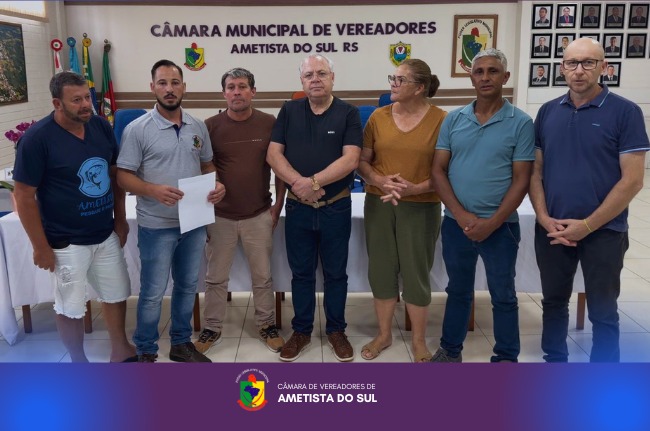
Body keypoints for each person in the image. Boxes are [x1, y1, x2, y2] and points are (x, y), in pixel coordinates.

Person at [531, 38, 649, 363]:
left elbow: (633, 180)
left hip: (604, 231)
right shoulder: (547, 111)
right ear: (562, 67)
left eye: (588, 63)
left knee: (603, 311)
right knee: (553, 303)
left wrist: (586, 226)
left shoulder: (626, 112)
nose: (579, 70)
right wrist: (543, 217)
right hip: (553, 229)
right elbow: (535, 171)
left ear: (604, 67)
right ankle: (555, 363)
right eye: (572, 63)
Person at [12, 71, 136, 363]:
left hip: (104, 232)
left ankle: (120, 350)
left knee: (116, 293)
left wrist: (120, 219)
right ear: (57, 103)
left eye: (87, 98)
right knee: (70, 306)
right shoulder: (37, 139)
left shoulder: (99, 126)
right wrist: (40, 247)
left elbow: (114, 174)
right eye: (76, 100)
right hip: (65, 240)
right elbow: (24, 196)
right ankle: (78, 363)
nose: (85, 105)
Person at [117, 59, 226, 363]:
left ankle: (181, 343)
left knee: (188, 286)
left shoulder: (197, 126)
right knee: (153, 291)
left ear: (183, 87)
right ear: (152, 87)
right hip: (157, 224)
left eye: (175, 82)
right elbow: (123, 176)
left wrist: (217, 184)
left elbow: (207, 164)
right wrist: (152, 190)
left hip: (193, 222)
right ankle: (146, 349)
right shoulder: (137, 129)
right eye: (162, 83)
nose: (169, 89)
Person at [430, 48, 534, 363]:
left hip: (501, 227)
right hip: (456, 225)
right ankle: (450, 351)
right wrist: (461, 215)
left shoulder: (521, 122)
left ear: (505, 77)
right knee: (458, 291)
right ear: (472, 78)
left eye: (493, 71)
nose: (485, 77)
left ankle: (506, 358)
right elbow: (438, 171)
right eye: (479, 71)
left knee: (503, 295)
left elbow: (522, 180)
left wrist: (491, 222)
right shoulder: (454, 119)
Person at [266, 54, 362, 362]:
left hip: (336, 207)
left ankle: (336, 330)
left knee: (336, 273)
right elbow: (273, 155)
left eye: (322, 73)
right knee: (301, 274)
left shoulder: (348, 112)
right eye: (309, 75)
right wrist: (300, 184)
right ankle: (302, 331)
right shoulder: (289, 110)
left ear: (333, 77)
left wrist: (315, 182)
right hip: (298, 209)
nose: (315, 79)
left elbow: (351, 159)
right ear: (302, 81)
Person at [357, 59, 446, 362]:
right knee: (381, 271)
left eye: (400, 80)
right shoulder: (378, 117)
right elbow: (362, 162)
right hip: (379, 204)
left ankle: (418, 341)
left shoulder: (442, 120)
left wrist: (415, 189)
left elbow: (447, 170)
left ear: (419, 87)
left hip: (422, 207)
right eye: (392, 78)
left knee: (416, 274)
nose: (392, 85)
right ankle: (384, 335)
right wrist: (379, 181)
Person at [194, 67, 286, 355]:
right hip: (220, 216)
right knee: (215, 278)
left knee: (263, 276)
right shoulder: (210, 126)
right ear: (224, 93)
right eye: (231, 87)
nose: (237, 92)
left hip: (258, 214)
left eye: (242, 86)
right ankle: (212, 327)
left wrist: (278, 205)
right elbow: (202, 165)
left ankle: (267, 325)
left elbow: (280, 166)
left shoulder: (269, 123)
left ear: (253, 91)